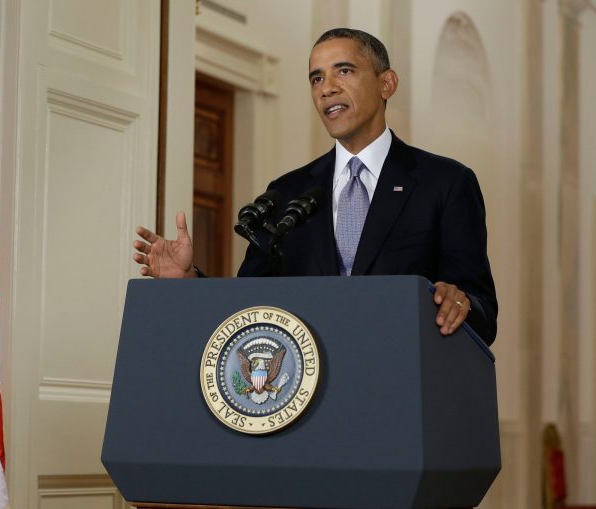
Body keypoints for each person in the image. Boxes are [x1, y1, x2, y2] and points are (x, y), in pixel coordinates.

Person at [134, 28, 497, 345]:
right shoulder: (287, 192)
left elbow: (483, 313)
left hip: (400, 382)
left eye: (344, 71)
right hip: (307, 389)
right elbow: (249, 306)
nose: (327, 88)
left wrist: (460, 304)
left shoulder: (446, 182)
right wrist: (189, 281)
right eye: (316, 78)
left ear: (387, 83)